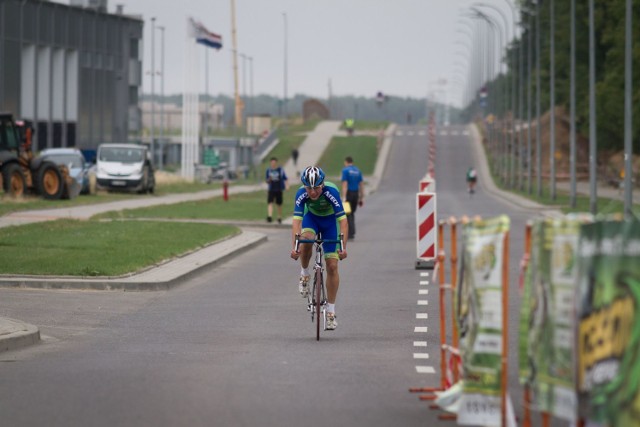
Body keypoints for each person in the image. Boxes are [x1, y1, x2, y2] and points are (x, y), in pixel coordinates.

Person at [290, 166, 348, 330]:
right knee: (306, 241)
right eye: (309, 188)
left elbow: (343, 222)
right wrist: (294, 247)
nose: (313, 192)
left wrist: (343, 248)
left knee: (332, 265)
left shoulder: (331, 192)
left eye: (316, 188)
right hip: (312, 219)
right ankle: (305, 273)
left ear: (322, 185)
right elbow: (296, 222)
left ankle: (330, 312)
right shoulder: (301, 194)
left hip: (330, 223)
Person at [341, 156, 364, 241]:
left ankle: (350, 233)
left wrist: (343, 197)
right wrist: (361, 197)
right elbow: (361, 184)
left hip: (349, 194)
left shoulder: (345, 170)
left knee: (347, 214)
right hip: (356, 194)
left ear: (346, 162)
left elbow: (345, 184)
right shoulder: (358, 170)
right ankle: (352, 232)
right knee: (352, 213)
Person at [265, 157, 288, 223]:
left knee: (279, 204)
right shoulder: (268, 170)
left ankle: (279, 217)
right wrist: (269, 179)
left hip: (279, 189)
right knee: (270, 202)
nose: (273, 164)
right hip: (271, 189)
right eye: (272, 163)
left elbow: (285, 178)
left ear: (276, 163)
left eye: (274, 162)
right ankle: (270, 216)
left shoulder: (280, 170)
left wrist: (287, 186)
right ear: (270, 163)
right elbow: (267, 180)